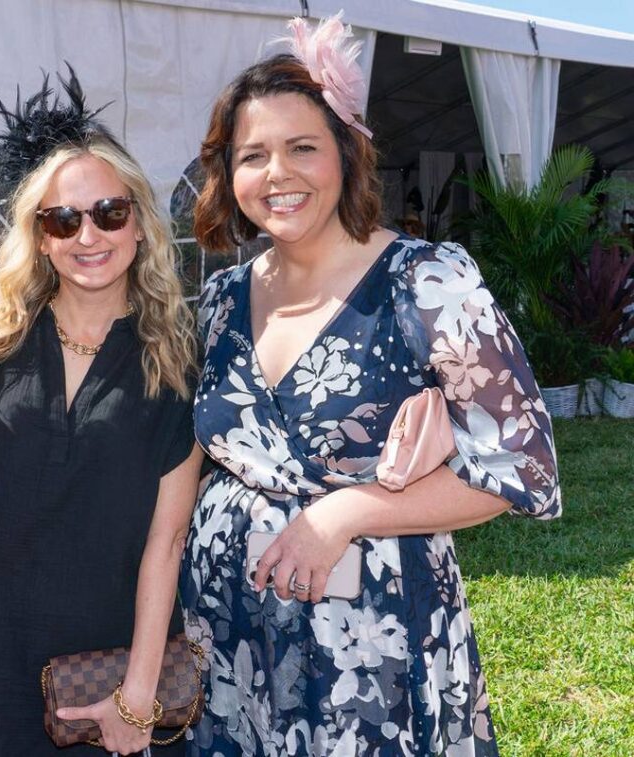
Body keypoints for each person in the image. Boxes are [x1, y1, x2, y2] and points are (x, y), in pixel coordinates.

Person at [181, 15, 560, 756]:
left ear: (346, 154)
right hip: (230, 634)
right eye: (253, 155)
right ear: (228, 175)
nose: (277, 174)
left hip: (371, 644)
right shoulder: (220, 299)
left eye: (302, 147)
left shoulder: (426, 281)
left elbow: (526, 467)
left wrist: (345, 512)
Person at [0, 70, 201, 757]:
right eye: (63, 219)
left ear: (139, 225)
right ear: (40, 237)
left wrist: (139, 692)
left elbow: (167, 541)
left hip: (112, 658)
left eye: (109, 213)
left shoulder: (175, 361)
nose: (88, 234)